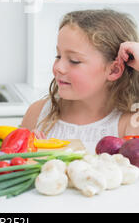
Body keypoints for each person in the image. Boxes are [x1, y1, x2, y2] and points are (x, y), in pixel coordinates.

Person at [21, 9, 139, 151]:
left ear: (114, 70)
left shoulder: (130, 124)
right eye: (58, 56)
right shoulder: (38, 113)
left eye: (74, 61)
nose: (58, 67)